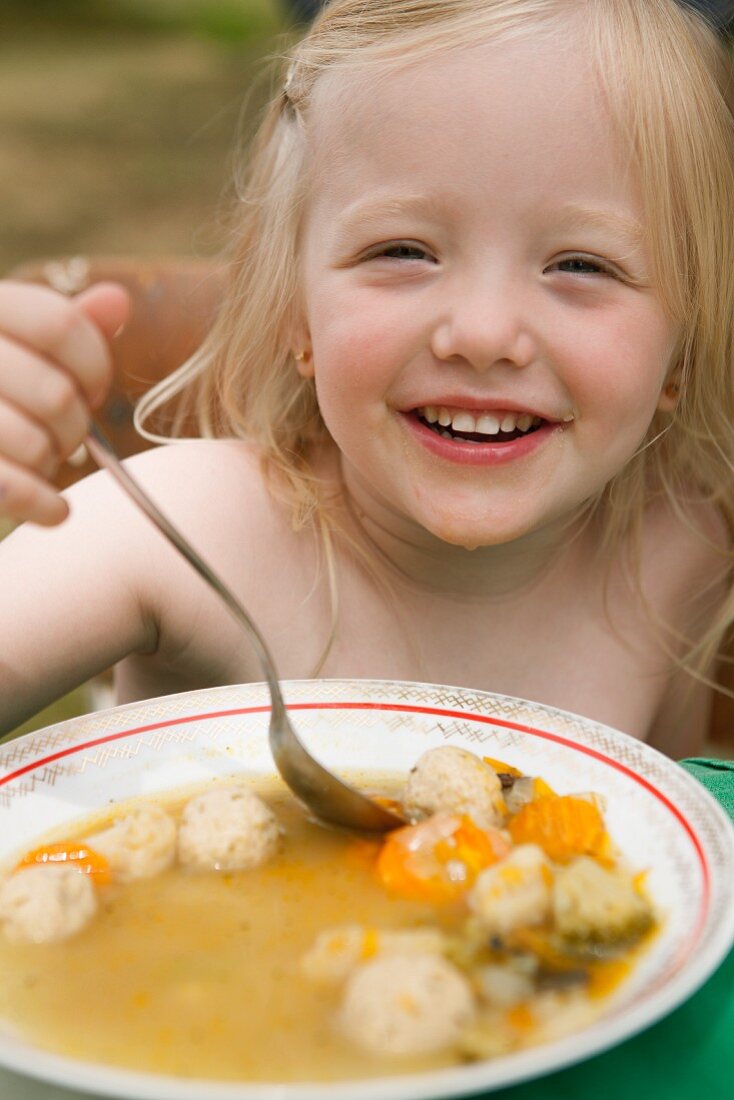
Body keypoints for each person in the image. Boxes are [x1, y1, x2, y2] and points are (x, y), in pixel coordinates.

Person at [0, 0, 732, 759]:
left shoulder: (676, 551)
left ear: (680, 350)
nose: (483, 335)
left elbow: (669, 840)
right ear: (295, 308)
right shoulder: (175, 530)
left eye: (582, 265)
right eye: (403, 251)